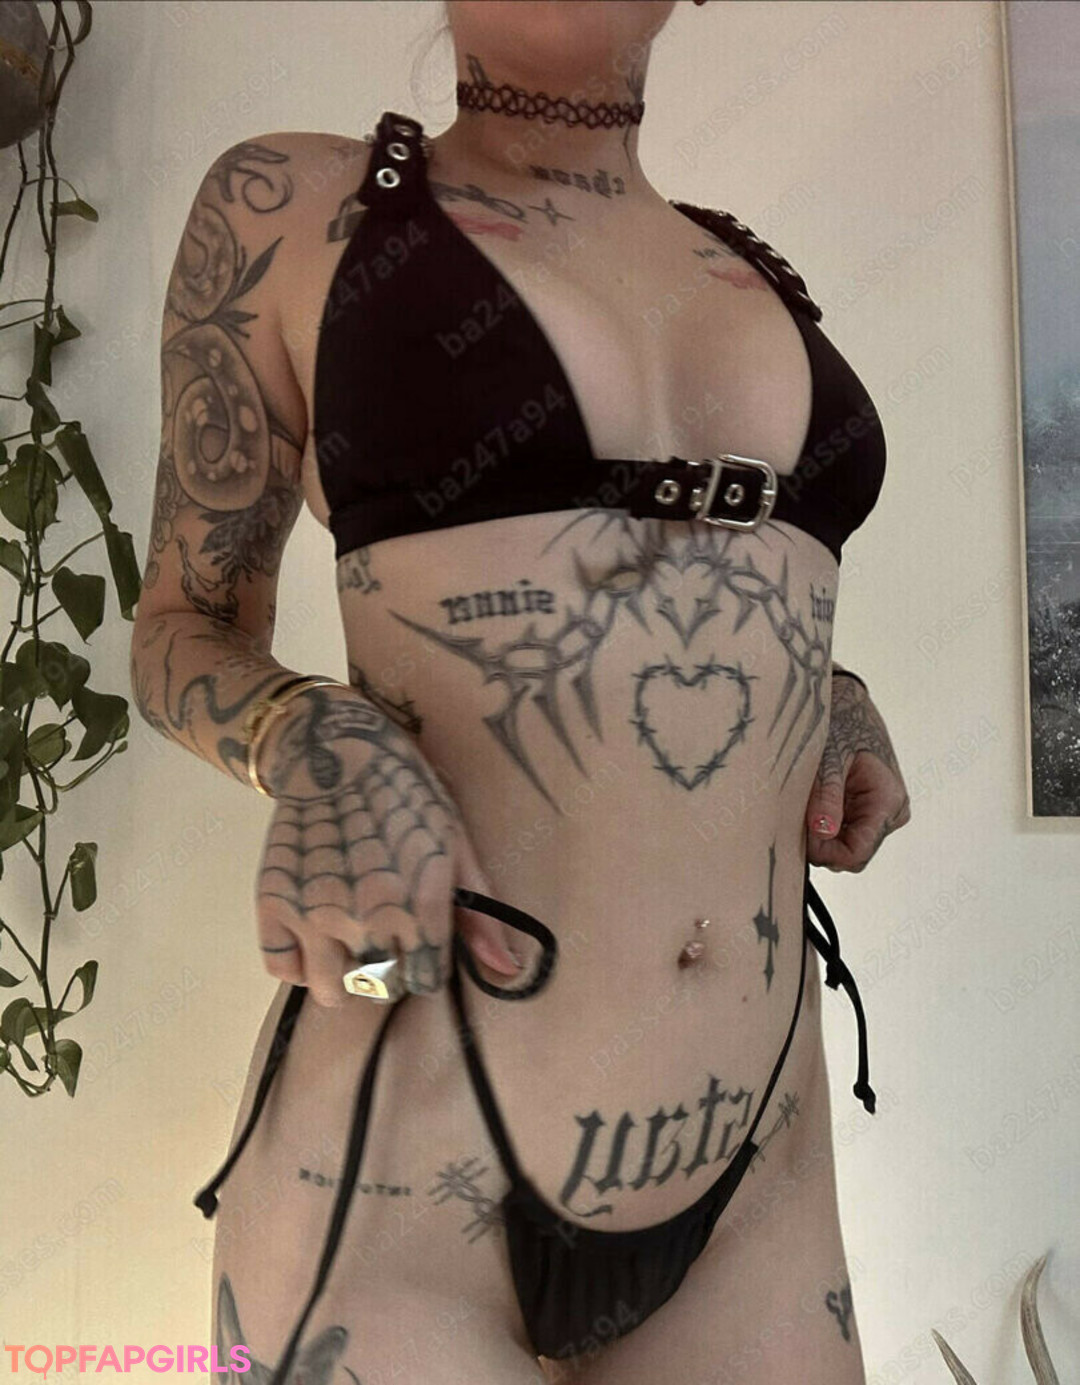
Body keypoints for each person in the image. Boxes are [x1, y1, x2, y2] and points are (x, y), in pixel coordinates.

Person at [130, 3, 911, 1382]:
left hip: (758, 1169)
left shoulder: (749, 270)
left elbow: (711, 592)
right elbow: (182, 628)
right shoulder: (294, 209)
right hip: (401, 1165)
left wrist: (832, 697)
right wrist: (314, 732)